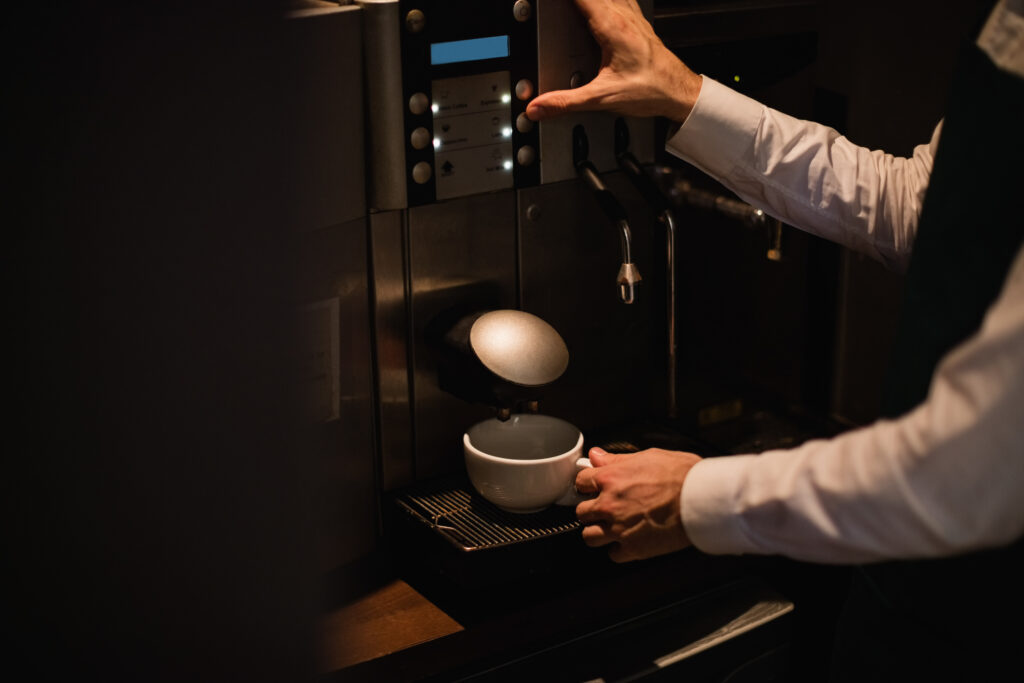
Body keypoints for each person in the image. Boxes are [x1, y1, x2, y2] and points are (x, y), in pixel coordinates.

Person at [527, 0, 1024, 679]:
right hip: (901, 582)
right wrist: (683, 93)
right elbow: (919, 209)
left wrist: (695, 496)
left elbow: (968, 473)